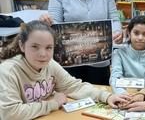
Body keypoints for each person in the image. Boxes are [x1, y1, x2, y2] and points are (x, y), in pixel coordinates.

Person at [0, 21, 130, 120]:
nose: (43, 54)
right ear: (22, 46)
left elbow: (74, 87)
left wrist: (107, 96)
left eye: (49, 48)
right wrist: (52, 104)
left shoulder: (50, 64)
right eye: (35, 47)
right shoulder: (8, 71)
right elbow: (9, 113)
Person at [39, 0, 123, 85]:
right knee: (73, 99)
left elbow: (114, 19)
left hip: (100, 62)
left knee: (101, 97)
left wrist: (117, 32)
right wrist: (47, 24)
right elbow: (55, 26)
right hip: (70, 64)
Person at [110, 15, 145, 95]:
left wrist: (144, 91)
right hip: (124, 95)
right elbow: (115, 79)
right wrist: (123, 95)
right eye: (136, 33)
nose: (140, 38)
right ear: (129, 33)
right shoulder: (118, 54)